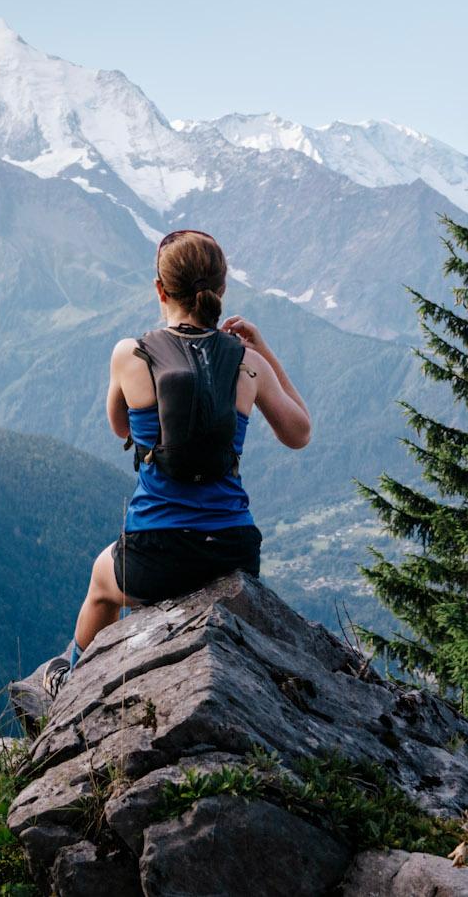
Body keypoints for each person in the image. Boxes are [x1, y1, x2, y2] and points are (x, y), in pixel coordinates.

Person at [55, 230, 311, 679]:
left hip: (158, 555)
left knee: (101, 583)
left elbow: (121, 428)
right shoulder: (247, 361)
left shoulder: (130, 354)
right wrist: (263, 350)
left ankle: (69, 680)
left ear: (160, 289)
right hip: (233, 551)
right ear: (221, 290)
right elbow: (299, 433)